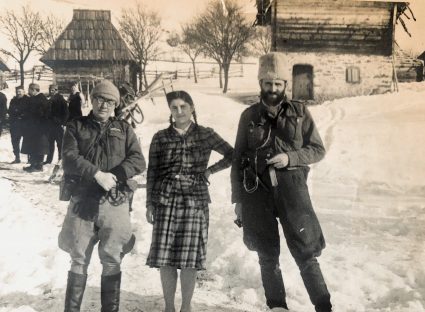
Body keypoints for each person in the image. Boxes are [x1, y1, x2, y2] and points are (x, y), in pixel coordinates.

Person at [231, 52, 332, 312]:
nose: (273, 89)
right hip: (257, 194)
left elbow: (318, 149)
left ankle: (324, 306)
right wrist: (238, 200)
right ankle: (277, 307)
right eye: (268, 83)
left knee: (306, 254)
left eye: (278, 84)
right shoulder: (249, 116)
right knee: (267, 256)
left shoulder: (300, 112)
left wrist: (291, 157)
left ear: (285, 85)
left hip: (293, 192)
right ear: (260, 84)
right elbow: (238, 158)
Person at [58, 80, 145, 312]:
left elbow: (138, 160)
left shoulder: (125, 129)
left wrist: (114, 176)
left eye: (109, 101)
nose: (103, 105)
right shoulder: (76, 126)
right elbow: (68, 157)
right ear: (92, 100)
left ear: (116, 104)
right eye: (99, 99)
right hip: (82, 199)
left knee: (112, 257)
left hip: (114, 200)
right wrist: (97, 174)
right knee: (78, 257)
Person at [146, 90, 233, 312]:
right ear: (170, 111)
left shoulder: (205, 134)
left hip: (195, 201)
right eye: (174, 107)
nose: (179, 111)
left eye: (183, 106)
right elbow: (152, 172)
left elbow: (233, 154)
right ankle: (169, 307)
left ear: (192, 108)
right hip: (166, 200)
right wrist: (150, 203)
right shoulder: (160, 137)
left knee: (189, 257)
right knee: (165, 257)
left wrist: (210, 171)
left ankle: (186, 307)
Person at [21, 83, 50, 172]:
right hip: (33, 128)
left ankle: (38, 166)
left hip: (39, 129)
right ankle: (33, 164)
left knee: (39, 147)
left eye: (29, 90)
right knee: (33, 146)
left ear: (33, 90)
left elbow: (43, 114)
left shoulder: (41, 99)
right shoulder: (34, 99)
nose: (28, 91)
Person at [45, 84, 69, 164]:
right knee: (50, 143)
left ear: (56, 90)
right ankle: (49, 160)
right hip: (49, 125)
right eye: (50, 90)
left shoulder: (61, 100)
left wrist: (63, 123)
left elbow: (66, 113)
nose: (51, 92)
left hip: (58, 125)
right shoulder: (48, 99)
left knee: (60, 144)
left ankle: (60, 159)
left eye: (52, 90)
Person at [8, 86, 28, 163]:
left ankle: (29, 159)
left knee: (27, 141)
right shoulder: (13, 100)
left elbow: (29, 111)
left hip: (25, 124)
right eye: (17, 91)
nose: (18, 93)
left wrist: (20, 114)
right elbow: (10, 110)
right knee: (15, 141)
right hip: (15, 124)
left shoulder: (28, 100)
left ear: (24, 92)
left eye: (20, 91)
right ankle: (17, 157)